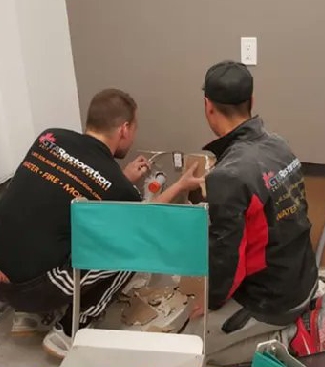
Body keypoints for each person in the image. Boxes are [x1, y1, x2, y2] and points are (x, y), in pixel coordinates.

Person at [0, 88, 203, 358]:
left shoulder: (49, 137)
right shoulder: (118, 187)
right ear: (124, 128)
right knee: (132, 247)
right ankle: (69, 331)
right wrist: (179, 185)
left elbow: (72, 186)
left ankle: (32, 315)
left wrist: (120, 179)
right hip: (33, 289)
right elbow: (146, 219)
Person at [188, 61, 318, 365]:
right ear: (252, 101)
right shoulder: (278, 145)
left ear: (208, 106)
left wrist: (210, 301)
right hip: (302, 275)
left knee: (189, 344)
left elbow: (227, 261)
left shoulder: (229, 176)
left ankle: (282, 338)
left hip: (273, 301)